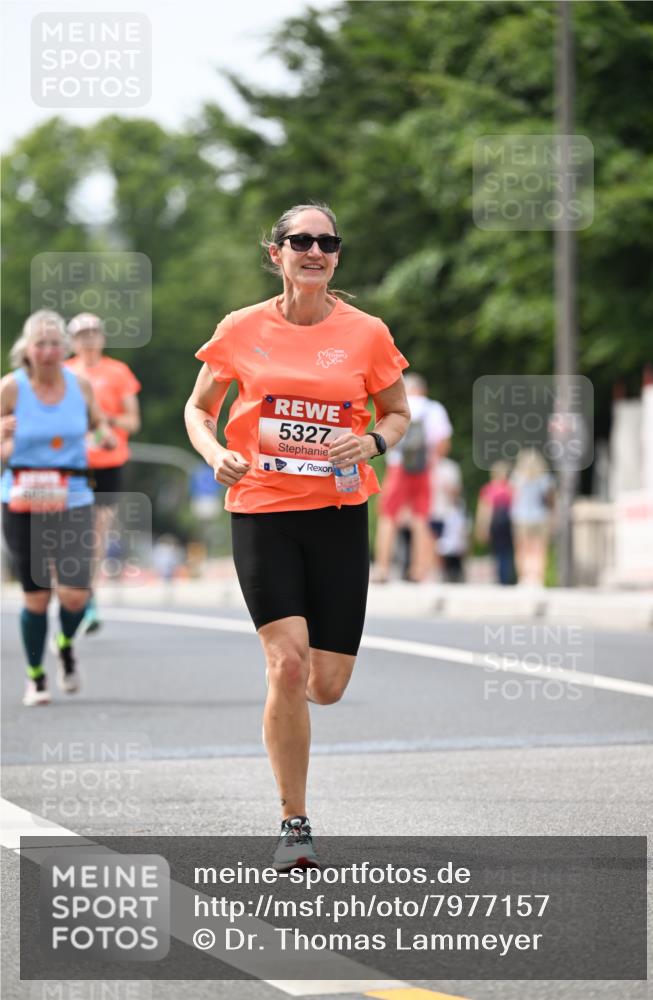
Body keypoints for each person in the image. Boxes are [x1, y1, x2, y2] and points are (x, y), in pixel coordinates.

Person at [184, 202, 410, 870]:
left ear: (336, 254)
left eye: (327, 241)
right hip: (261, 509)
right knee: (285, 663)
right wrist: (211, 453)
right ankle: (294, 823)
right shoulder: (240, 328)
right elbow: (200, 408)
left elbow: (397, 413)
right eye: (300, 241)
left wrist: (370, 440)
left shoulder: (366, 333)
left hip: (338, 514)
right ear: (275, 252)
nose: (314, 250)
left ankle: (298, 707)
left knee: (325, 683)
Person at [1, 310, 115, 705]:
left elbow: (99, 423)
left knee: (75, 597)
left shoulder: (79, 385)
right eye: (40, 343)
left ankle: (64, 645)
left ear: (62, 349)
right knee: (36, 597)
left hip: (73, 497)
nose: (48, 350)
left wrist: (104, 438)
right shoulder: (10, 390)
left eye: (54, 343)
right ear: (27, 350)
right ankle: (35, 677)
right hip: (22, 497)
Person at [64, 313, 141, 633]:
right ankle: (72, 592)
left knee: (96, 533)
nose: (89, 339)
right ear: (72, 341)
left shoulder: (118, 372)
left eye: (94, 332)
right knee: (69, 534)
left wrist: (103, 420)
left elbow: (132, 422)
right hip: (70, 461)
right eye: (82, 334)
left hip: (108, 461)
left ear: (102, 338)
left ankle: (89, 597)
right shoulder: (63, 372)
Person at [373, 373, 452, 582]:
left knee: (388, 516)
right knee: (421, 517)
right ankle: (419, 571)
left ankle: (382, 568)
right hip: (423, 468)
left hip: (398, 466)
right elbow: (443, 442)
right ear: (423, 390)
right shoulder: (433, 409)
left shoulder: (398, 406)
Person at [510, 448, 554, 585]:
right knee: (539, 549)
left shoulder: (516, 477)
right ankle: (537, 577)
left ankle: (524, 577)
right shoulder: (545, 478)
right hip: (540, 516)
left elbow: (513, 497)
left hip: (521, 517)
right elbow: (550, 500)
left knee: (522, 548)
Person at [475, 461, 515, 585]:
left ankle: (500, 579)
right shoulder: (510, 488)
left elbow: (485, 510)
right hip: (508, 524)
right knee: (507, 553)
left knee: (497, 552)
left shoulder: (489, 489)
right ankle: (506, 578)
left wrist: (482, 527)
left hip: (495, 523)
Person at [430, 456, 466, 582]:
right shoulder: (427, 466)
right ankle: (437, 572)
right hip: (432, 511)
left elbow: (457, 491)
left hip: (447, 513)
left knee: (450, 546)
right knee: (433, 544)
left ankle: (448, 573)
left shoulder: (451, 467)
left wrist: (449, 490)